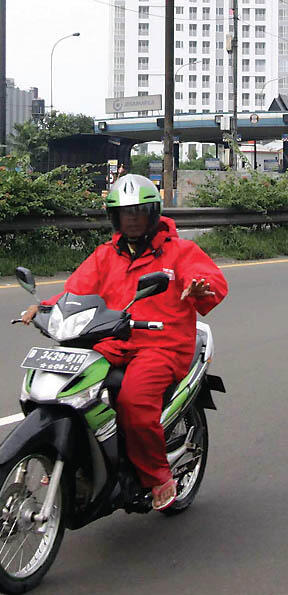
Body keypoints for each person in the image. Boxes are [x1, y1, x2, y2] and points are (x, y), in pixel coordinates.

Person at [20, 174, 228, 511]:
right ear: (115, 218)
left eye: (138, 212)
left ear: (152, 214)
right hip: (112, 342)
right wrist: (45, 307)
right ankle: (69, 455)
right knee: (71, 390)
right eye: (124, 213)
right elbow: (76, 289)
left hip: (161, 345)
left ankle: (159, 475)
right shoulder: (106, 255)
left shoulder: (179, 251)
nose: (131, 219)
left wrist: (199, 287)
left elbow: (209, 280)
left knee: (133, 403)